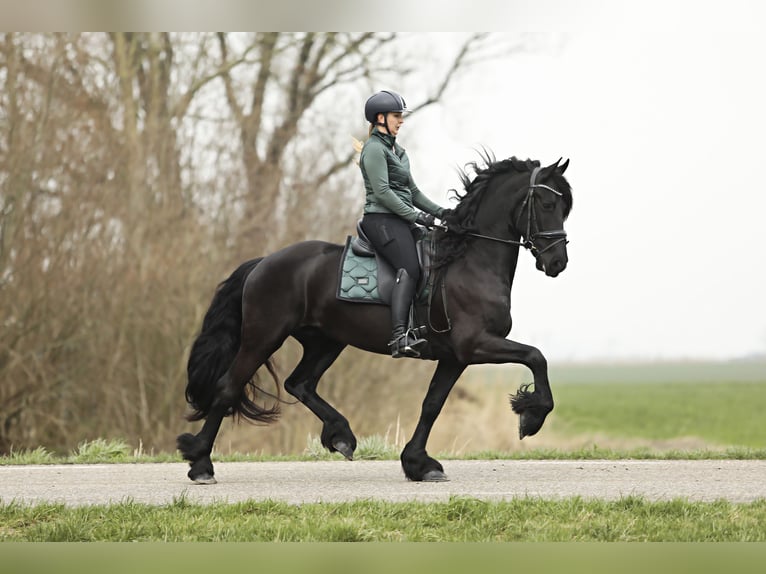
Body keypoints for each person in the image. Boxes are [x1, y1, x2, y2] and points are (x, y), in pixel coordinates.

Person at [358, 90, 447, 358]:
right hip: (380, 220)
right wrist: (417, 217)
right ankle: (399, 336)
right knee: (409, 267)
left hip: (400, 219)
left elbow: (415, 193)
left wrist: (443, 212)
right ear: (380, 118)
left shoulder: (398, 151)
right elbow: (383, 193)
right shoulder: (373, 149)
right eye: (397, 116)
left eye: (401, 116)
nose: (401, 121)